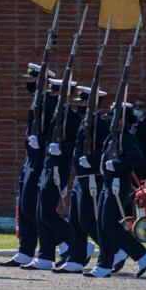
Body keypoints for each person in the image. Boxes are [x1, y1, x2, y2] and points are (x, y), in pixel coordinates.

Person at [0, 63, 57, 268]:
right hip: (30, 157)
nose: (28, 82)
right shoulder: (36, 100)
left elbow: (57, 129)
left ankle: (60, 242)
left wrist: (43, 141)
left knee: (32, 207)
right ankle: (25, 250)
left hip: (41, 158)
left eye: (33, 79)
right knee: (24, 206)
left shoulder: (50, 102)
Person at [85, 103, 146, 278]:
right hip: (108, 183)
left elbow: (137, 157)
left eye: (114, 116)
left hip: (117, 185)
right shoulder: (113, 136)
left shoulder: (125, 137)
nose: (110, 119)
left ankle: (141, 254)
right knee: (102, 224)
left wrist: (118, 164)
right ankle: (104, 265)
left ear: (122, 120)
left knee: (109, 224)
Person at [25, 77, 79, 271]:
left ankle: (77, 244)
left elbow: (77, 145)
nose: (52, 96)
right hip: (48, 166)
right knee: (41, 214)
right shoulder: (58, 114)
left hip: (58, 168)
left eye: (56, 92)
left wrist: (62, 149)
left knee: (47, 213)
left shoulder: (70, 117)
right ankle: (46, 256)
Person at [57, 85, 108, 274]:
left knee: (88, 220)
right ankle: (76, 259)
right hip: (80, 177)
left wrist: (92, 160)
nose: (79, 105)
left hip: (93, 177)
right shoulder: (86, 122)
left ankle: (114, 249)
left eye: (83, 101)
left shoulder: (101, 124)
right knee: (75, 220)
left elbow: (107, 150)